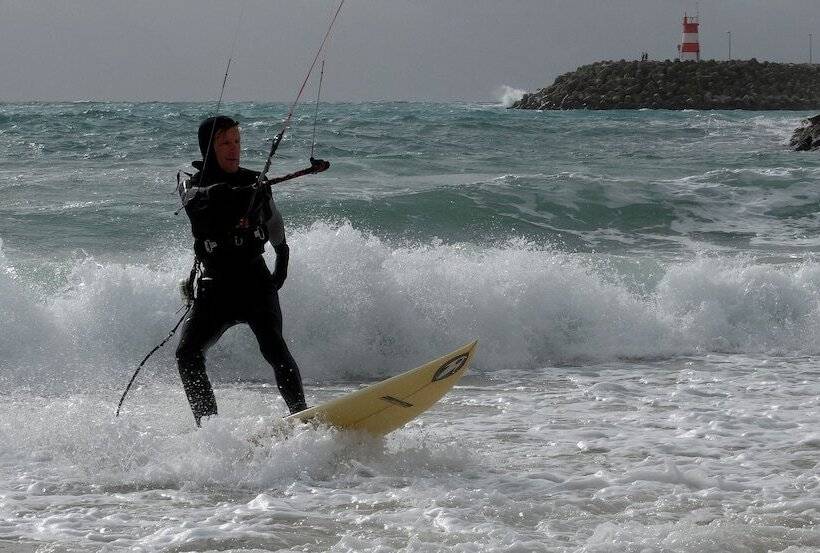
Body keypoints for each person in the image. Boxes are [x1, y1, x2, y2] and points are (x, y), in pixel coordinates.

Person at [175, 115, 328, 426]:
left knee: (274, 348)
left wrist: (282, 259)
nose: (234, 149)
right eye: (225, 142)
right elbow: (193, 201)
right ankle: (211, 430)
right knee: (187, 355)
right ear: (209, 148)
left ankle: (301, 418)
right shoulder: (192, 183)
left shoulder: (255, 182)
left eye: (237, 141)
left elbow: (274, 223)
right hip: (214, 286)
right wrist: (222, 193)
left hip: (253, 283)